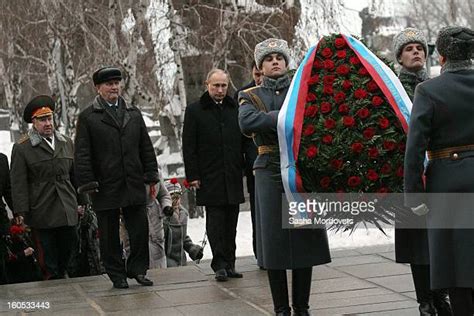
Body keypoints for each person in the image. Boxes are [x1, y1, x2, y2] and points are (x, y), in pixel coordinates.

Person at [238, 38, 331, 316]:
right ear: (260, 66)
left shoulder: (302, 90)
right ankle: (281, 308)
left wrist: (272, 117)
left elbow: (316, 119)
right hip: (268, 170)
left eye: (279, 57)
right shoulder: (250, 94)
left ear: (287, 62)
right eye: (268, 59)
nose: (275, 62)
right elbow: (246, 122)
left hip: (301, 171)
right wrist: (287, 116)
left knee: (304, 239)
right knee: (274, 242)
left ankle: (302, 306)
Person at [404, 25, 474, 315]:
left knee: (455, 264)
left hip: (447, 181)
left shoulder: (428, 90)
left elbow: (415, 146)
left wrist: (414, 195)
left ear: (441, 56)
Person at [74, 66, 159, 289]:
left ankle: (138, 269)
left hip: (132, 180)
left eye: (116, 83)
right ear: (98, 88)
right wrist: (87, 182)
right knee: (109, 234)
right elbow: (82, 153)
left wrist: (151, 175)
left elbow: (145, 147)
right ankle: (116, 274)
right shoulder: (88, 117)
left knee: (139, 229)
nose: (114, 87)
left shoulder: (133, 113)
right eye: (108, 84)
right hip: (105, 184)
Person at [392, 28, 452, 315]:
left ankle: (441, 294)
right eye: (409, 49)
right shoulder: (392, 90)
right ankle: (425, 299)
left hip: (439, 169)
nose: (416, 52)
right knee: (417, 239)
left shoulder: (437, 85)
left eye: (420, 48)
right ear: (399, 58)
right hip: (410, 172)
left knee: (440, 237)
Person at [182, 68, 244, 282]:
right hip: (209, 176)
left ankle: (231, 263)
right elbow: (188, 146)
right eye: (216, 85)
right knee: (216, 222)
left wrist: (243, 166)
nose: (220, 90)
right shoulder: (195, 111)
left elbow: (243, 140)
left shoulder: (235, 108)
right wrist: (193, 175)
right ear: (207, 85)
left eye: (223, 86)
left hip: (232, 174)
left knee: (232, 222)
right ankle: (219, 264)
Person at [10, 95, 81, 280]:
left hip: (66, 206)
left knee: (69, 246)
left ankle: (62, 276)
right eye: (42, 120)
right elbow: (18, 182)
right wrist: (21, 212)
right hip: (42, 208)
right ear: (33, 122)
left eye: (49, 118)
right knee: (48, 256)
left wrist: (82, 201)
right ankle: (53, 282)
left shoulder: (66, 142)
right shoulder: (22, 148)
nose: (48, 123)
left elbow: (75, 175)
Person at [234, 62, 262, 260]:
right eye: (256, 74)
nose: (260, 78)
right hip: (256, 164)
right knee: (258, 213)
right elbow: (241, 136)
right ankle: (261, 253)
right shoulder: (245, 94)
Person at [163, 179, 203, 267]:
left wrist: (192, 249)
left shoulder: (182, 215)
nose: (176, 201)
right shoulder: (163, 218)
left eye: (178, 197)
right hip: (167, 263)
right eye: (172, 197)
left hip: (181, 261)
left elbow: (182, 237)